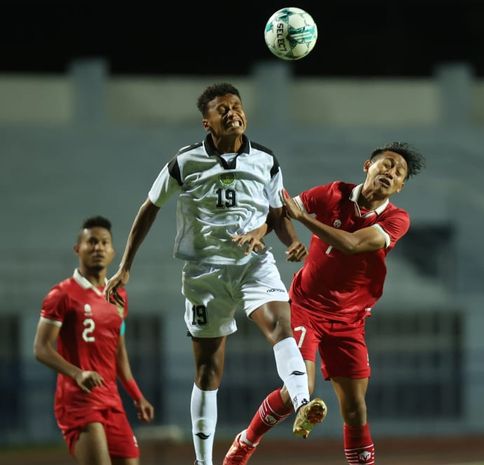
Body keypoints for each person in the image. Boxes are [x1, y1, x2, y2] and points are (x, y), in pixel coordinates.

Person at [104, 83, 324, 465]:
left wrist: (290, 241)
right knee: (208, 369)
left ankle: (303, 402)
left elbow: (276, 213)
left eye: (237, 106)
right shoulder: (185, 162)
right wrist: (124, 266)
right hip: (205, 273)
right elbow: (149, 208)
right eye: (222, 109)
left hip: (254, 264)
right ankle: (204, 461)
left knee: (281, 327)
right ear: (207, 122)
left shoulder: (266, 160)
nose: (232, 113)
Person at [222, 142, 425, 465]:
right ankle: (246, 442)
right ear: (367, 166)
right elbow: (283, 209)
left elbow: (354, 244)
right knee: (299, 390)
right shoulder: (332, 194)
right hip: (306, 307)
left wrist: (305, 220)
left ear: (400, 187)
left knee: (356, 408)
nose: (391, 173)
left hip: (350, 319)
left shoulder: (397, 219)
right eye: (386, 165)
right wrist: (262, 229)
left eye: (399, 173)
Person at [33, 216, 155, 465]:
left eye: (104, 243)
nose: (98, 247)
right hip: (78, 400)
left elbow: (119, 352)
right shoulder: (62, 294)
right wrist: (77, 374)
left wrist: (137, 395)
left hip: (111, 399)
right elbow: (41, 348)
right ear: (78, 248)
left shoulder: (119, 296)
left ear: (113, 252)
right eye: (91, 242)